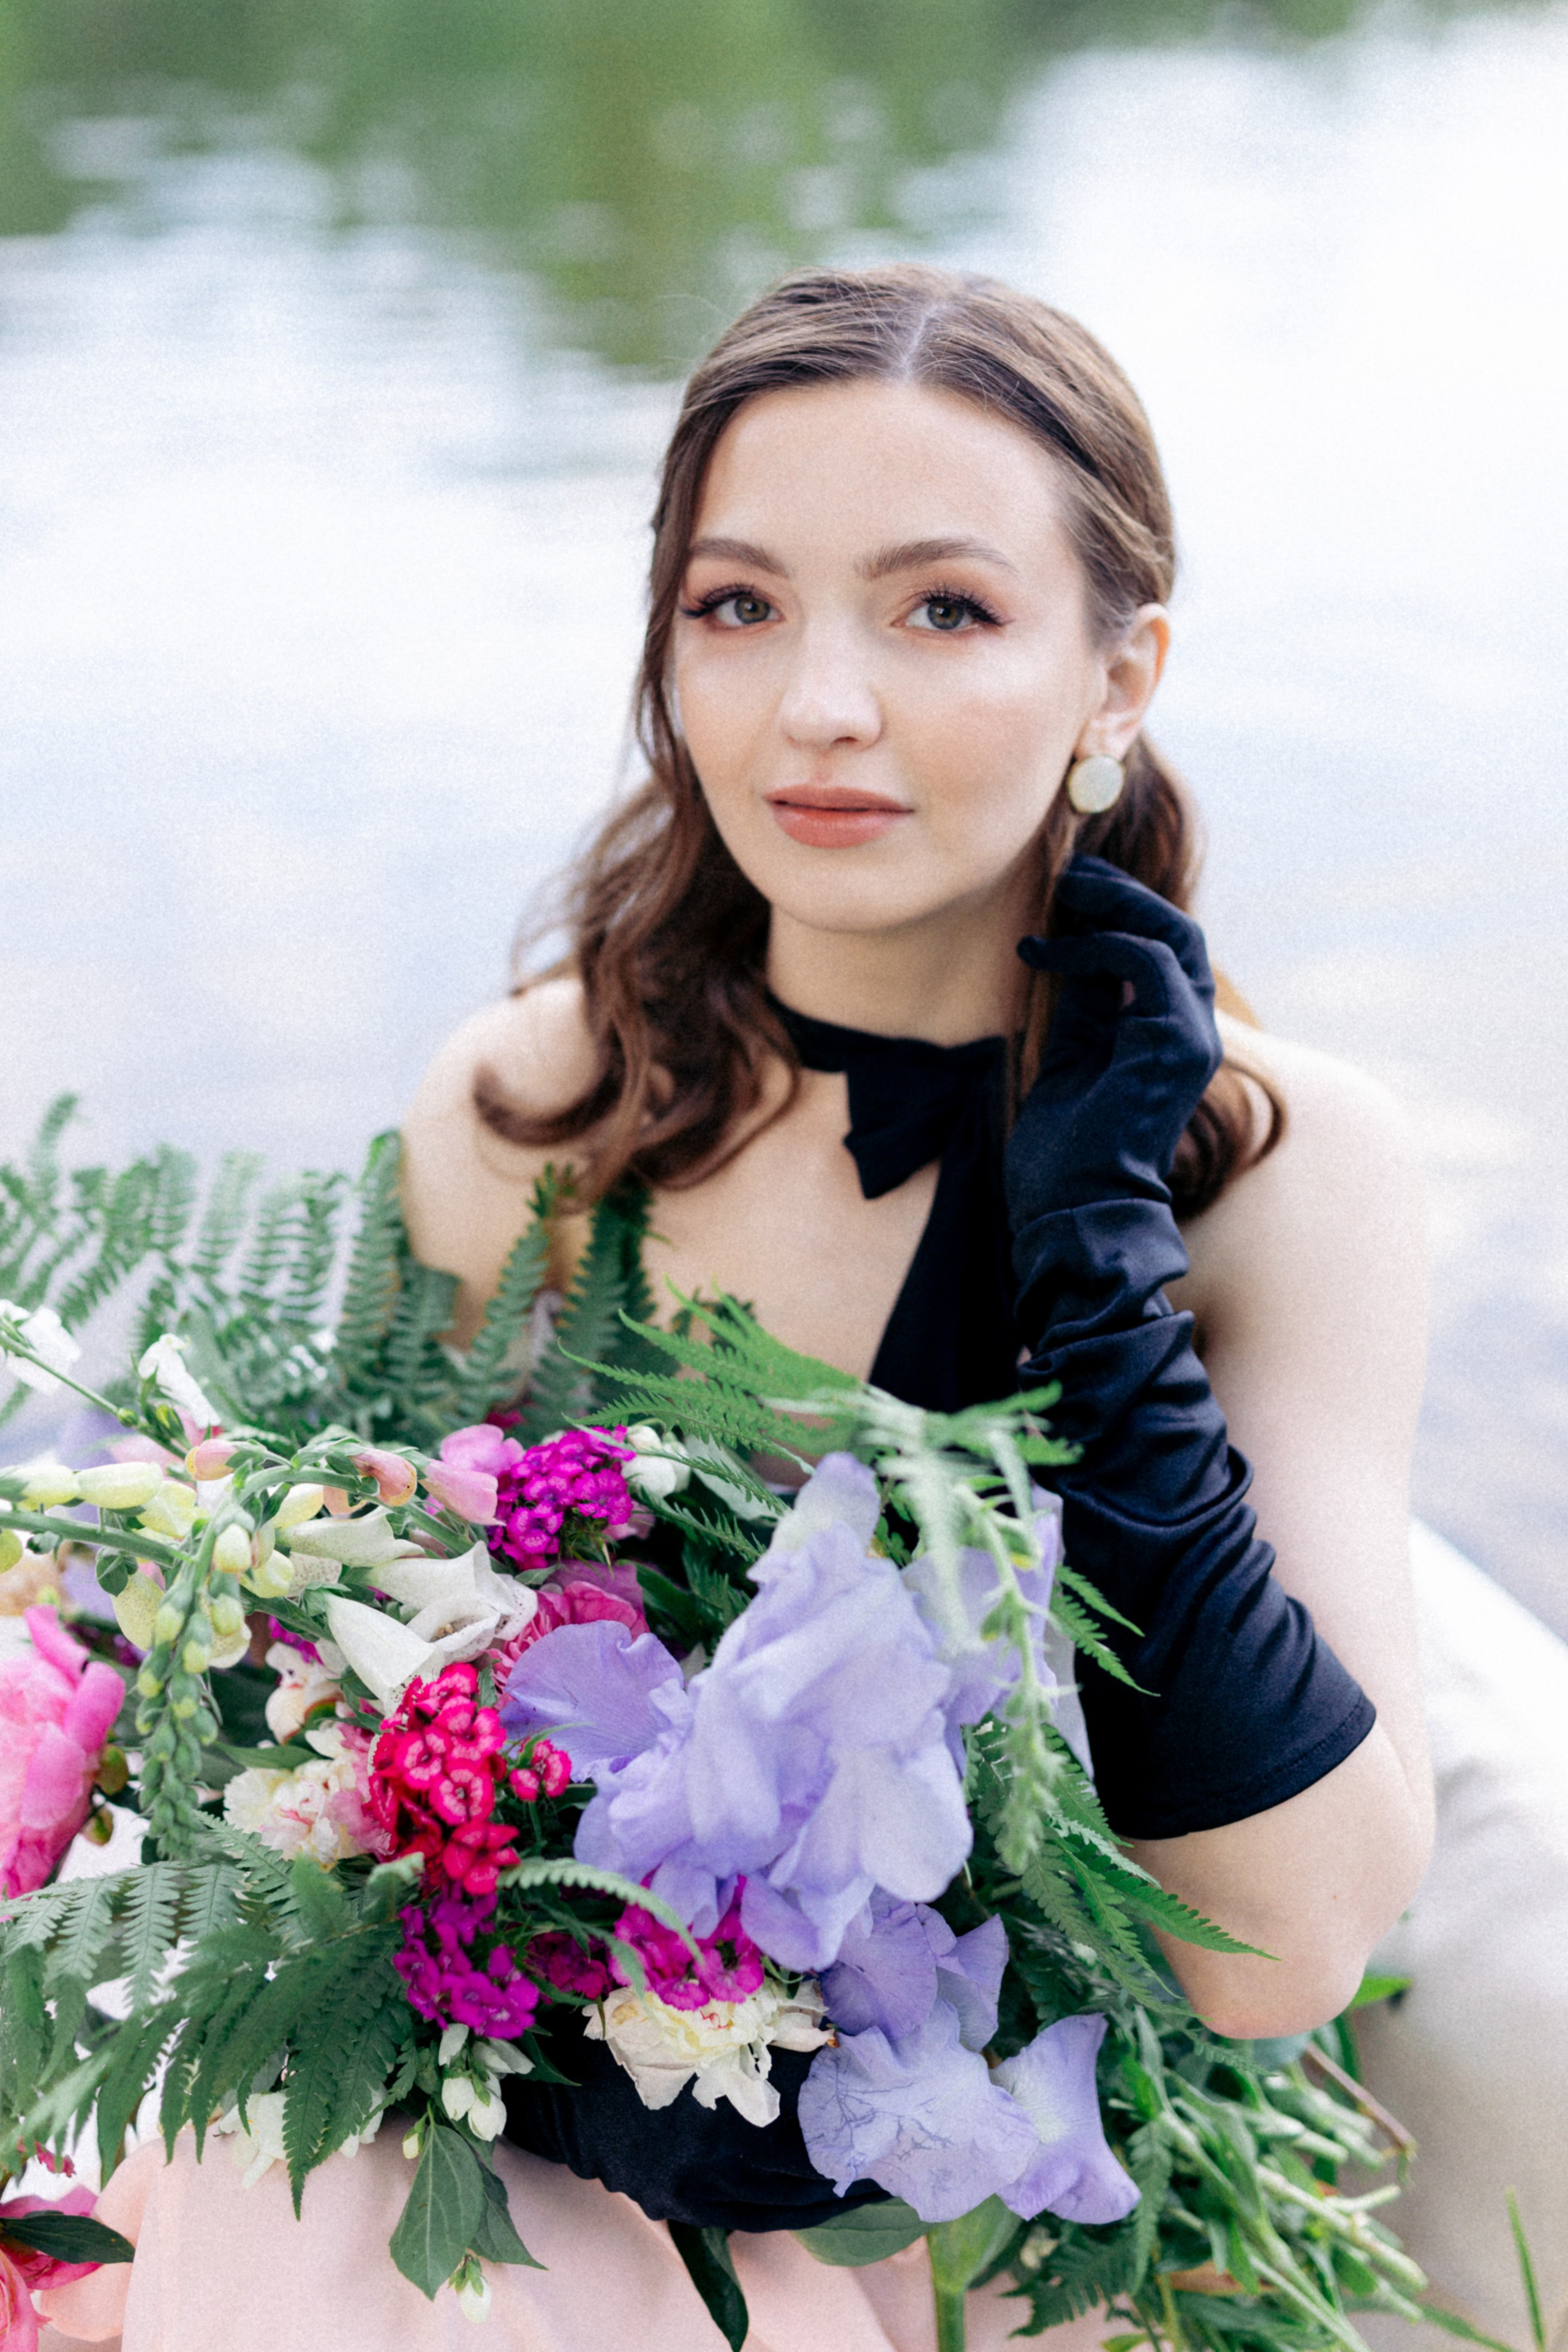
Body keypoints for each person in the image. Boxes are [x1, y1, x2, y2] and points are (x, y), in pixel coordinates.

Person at [41, 263, 1450, 2351]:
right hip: (540, 2121)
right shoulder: (534, 1111)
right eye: (738, 606)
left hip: (1012, 2156)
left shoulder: (1277, 1162)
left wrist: (1095, 1282)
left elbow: (1276, 1959)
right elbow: (392, 1717)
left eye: (944, 610)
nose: (820, 707)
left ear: (1119, 675)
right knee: (335, 2212)